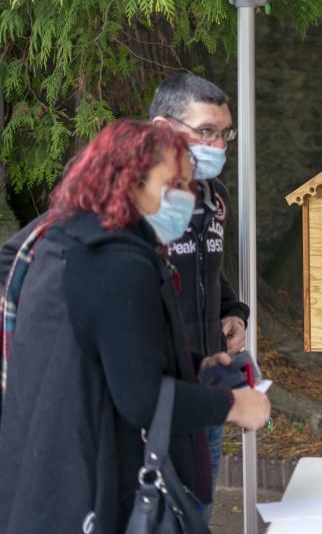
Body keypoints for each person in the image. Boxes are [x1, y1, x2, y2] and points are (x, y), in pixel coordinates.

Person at [0, 120, 270, 533]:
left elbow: (110, 349)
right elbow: (139, 397)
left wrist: (194, 364)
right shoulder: (118, 263)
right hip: (90, 491)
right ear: (129, 181)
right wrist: (234, 407)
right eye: (176, 183)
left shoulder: (70, 240)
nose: (188, 196)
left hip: (47, 476)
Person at [149, 73, 248, 521]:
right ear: (161, 128)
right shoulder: (132, 198)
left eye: (224, 133)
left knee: (198, 511)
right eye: (205, 131)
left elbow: (209, 266)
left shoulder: (214, 194)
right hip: (154, 390)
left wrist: (233, 314)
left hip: (207, 378)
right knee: (152, 514)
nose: (218, 145)